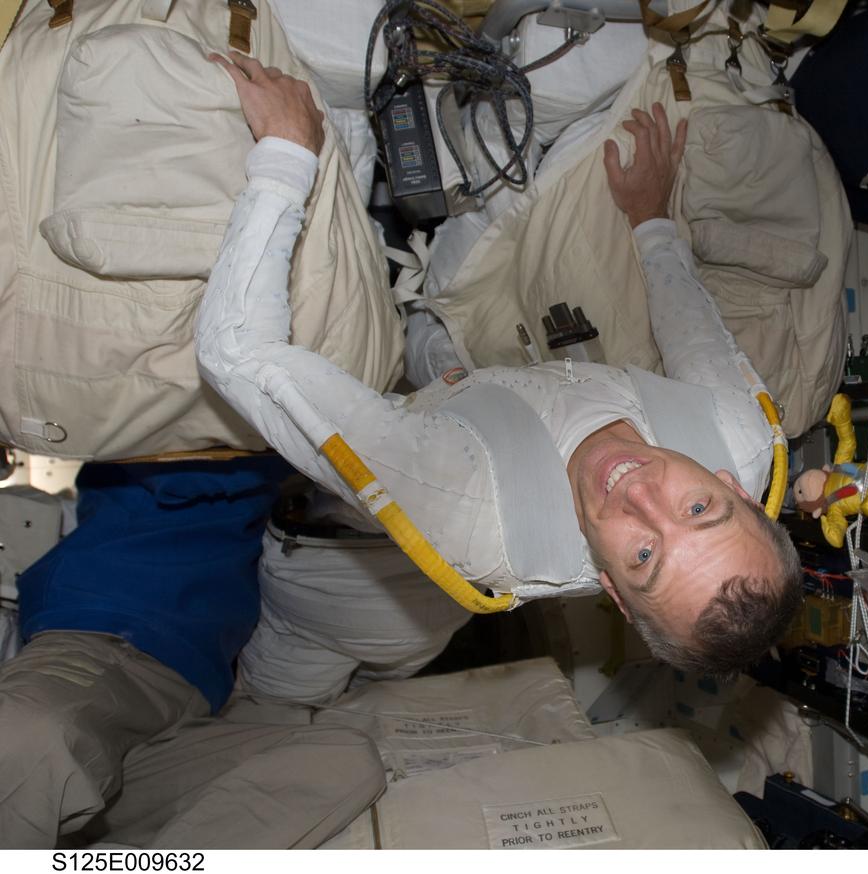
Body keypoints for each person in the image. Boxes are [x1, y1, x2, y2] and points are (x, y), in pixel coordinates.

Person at [196, 52, 803, 676]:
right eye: (698, 509)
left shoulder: (467, 503)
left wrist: (285, 153)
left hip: (433, 423)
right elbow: (695, 337)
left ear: (613, 592)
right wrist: (650, 219)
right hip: (507, 376)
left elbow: (236, 351)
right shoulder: (740, 434)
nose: (640, 495)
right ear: (734, 485)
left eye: (646, 555)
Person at [0, 459, 386, 848]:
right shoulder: (163, 451)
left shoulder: (272, 508)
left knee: (340, 761)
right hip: (105, 637)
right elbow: (184, 461)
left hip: (179, 713)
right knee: (24, 734)